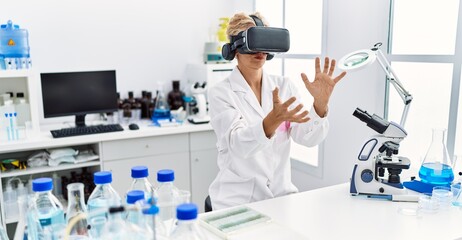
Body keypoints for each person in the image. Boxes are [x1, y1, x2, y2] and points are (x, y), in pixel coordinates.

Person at [207, 12, 347, 210]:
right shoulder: (221, 93)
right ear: (234, 48)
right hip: (238, 201)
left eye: (265, 43)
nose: (260, 51)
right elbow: (238, 146)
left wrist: (320, 105)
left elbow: (307, 138)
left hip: (281, 197)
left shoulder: (284, 86)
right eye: (253, 43)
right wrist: (272, 120)